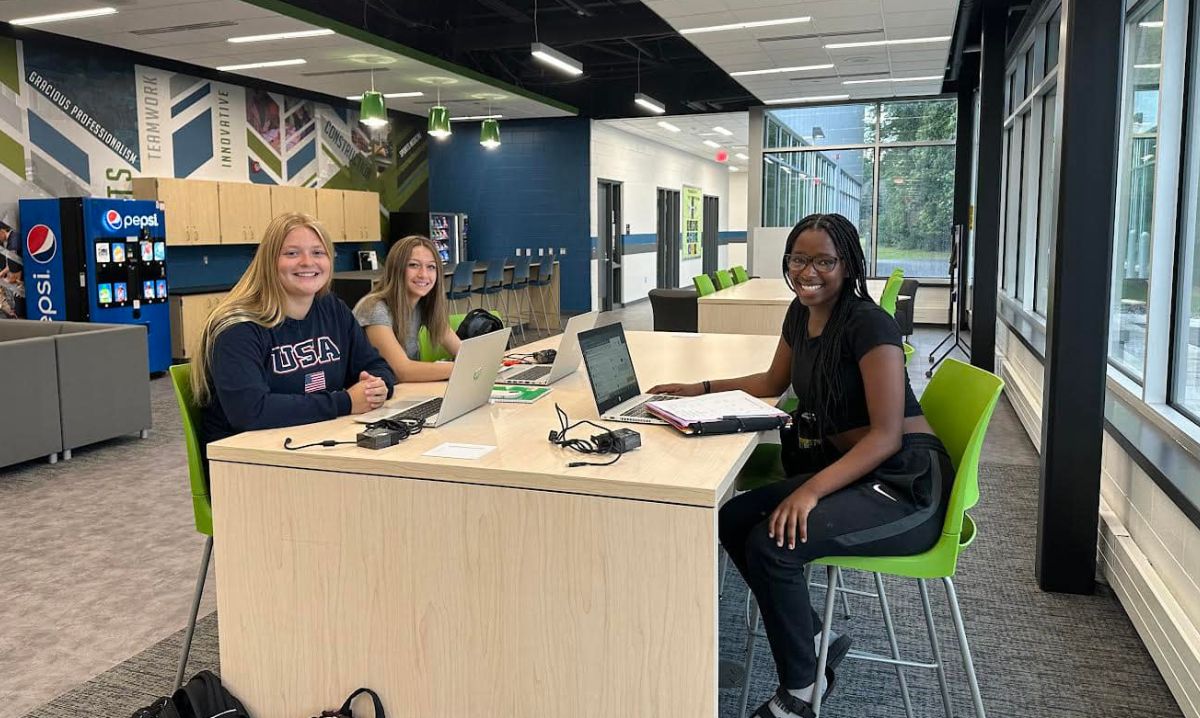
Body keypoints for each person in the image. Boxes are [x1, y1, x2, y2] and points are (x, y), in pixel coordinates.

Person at [649, 213, 953, 718]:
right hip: (857, 468)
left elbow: (886, 436)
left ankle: (800, 691)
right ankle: (817, 635)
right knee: (733, 519)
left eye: (823, 261)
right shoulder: (800, 312)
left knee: (774, 545)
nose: (808, 272)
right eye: (798, 259)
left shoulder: (868, 324)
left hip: (904, 483)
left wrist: (808, 492)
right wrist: (698, 390)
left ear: (847, 263)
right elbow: (771, 382)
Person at [192, 212, 395, 452]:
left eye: (318, 252)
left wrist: (377, 388)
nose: (307, 262)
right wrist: (346, 402)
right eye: (292, 253)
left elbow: (378, 368)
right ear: (269, 261)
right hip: (247, 461)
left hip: (312, 441)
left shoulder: (332, 309)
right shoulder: (238, 327)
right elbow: (250, 411)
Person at [353, 235, 461, 382]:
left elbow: (461, 350)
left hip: (403, 391)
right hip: (375, 398)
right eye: (413, 265)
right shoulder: (374, 308)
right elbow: (402, 371)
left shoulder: (423, 304)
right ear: (396, 269)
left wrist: (482, 361)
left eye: (431, 267)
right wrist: (463, 366)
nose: (423, 274)